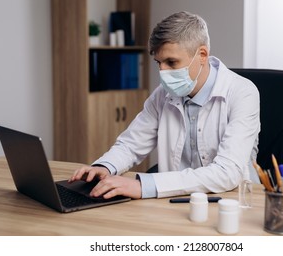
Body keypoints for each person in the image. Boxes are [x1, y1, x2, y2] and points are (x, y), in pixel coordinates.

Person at [69, 11, 260, 199]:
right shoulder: (163, 95)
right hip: (173, 200)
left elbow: (226, 173)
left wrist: (143, 185)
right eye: (158, 63)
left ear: (202, 54)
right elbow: (131, 145)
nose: (163, 72)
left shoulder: (242, 93)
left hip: (232, 202)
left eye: (171, 62)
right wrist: (105, 167)